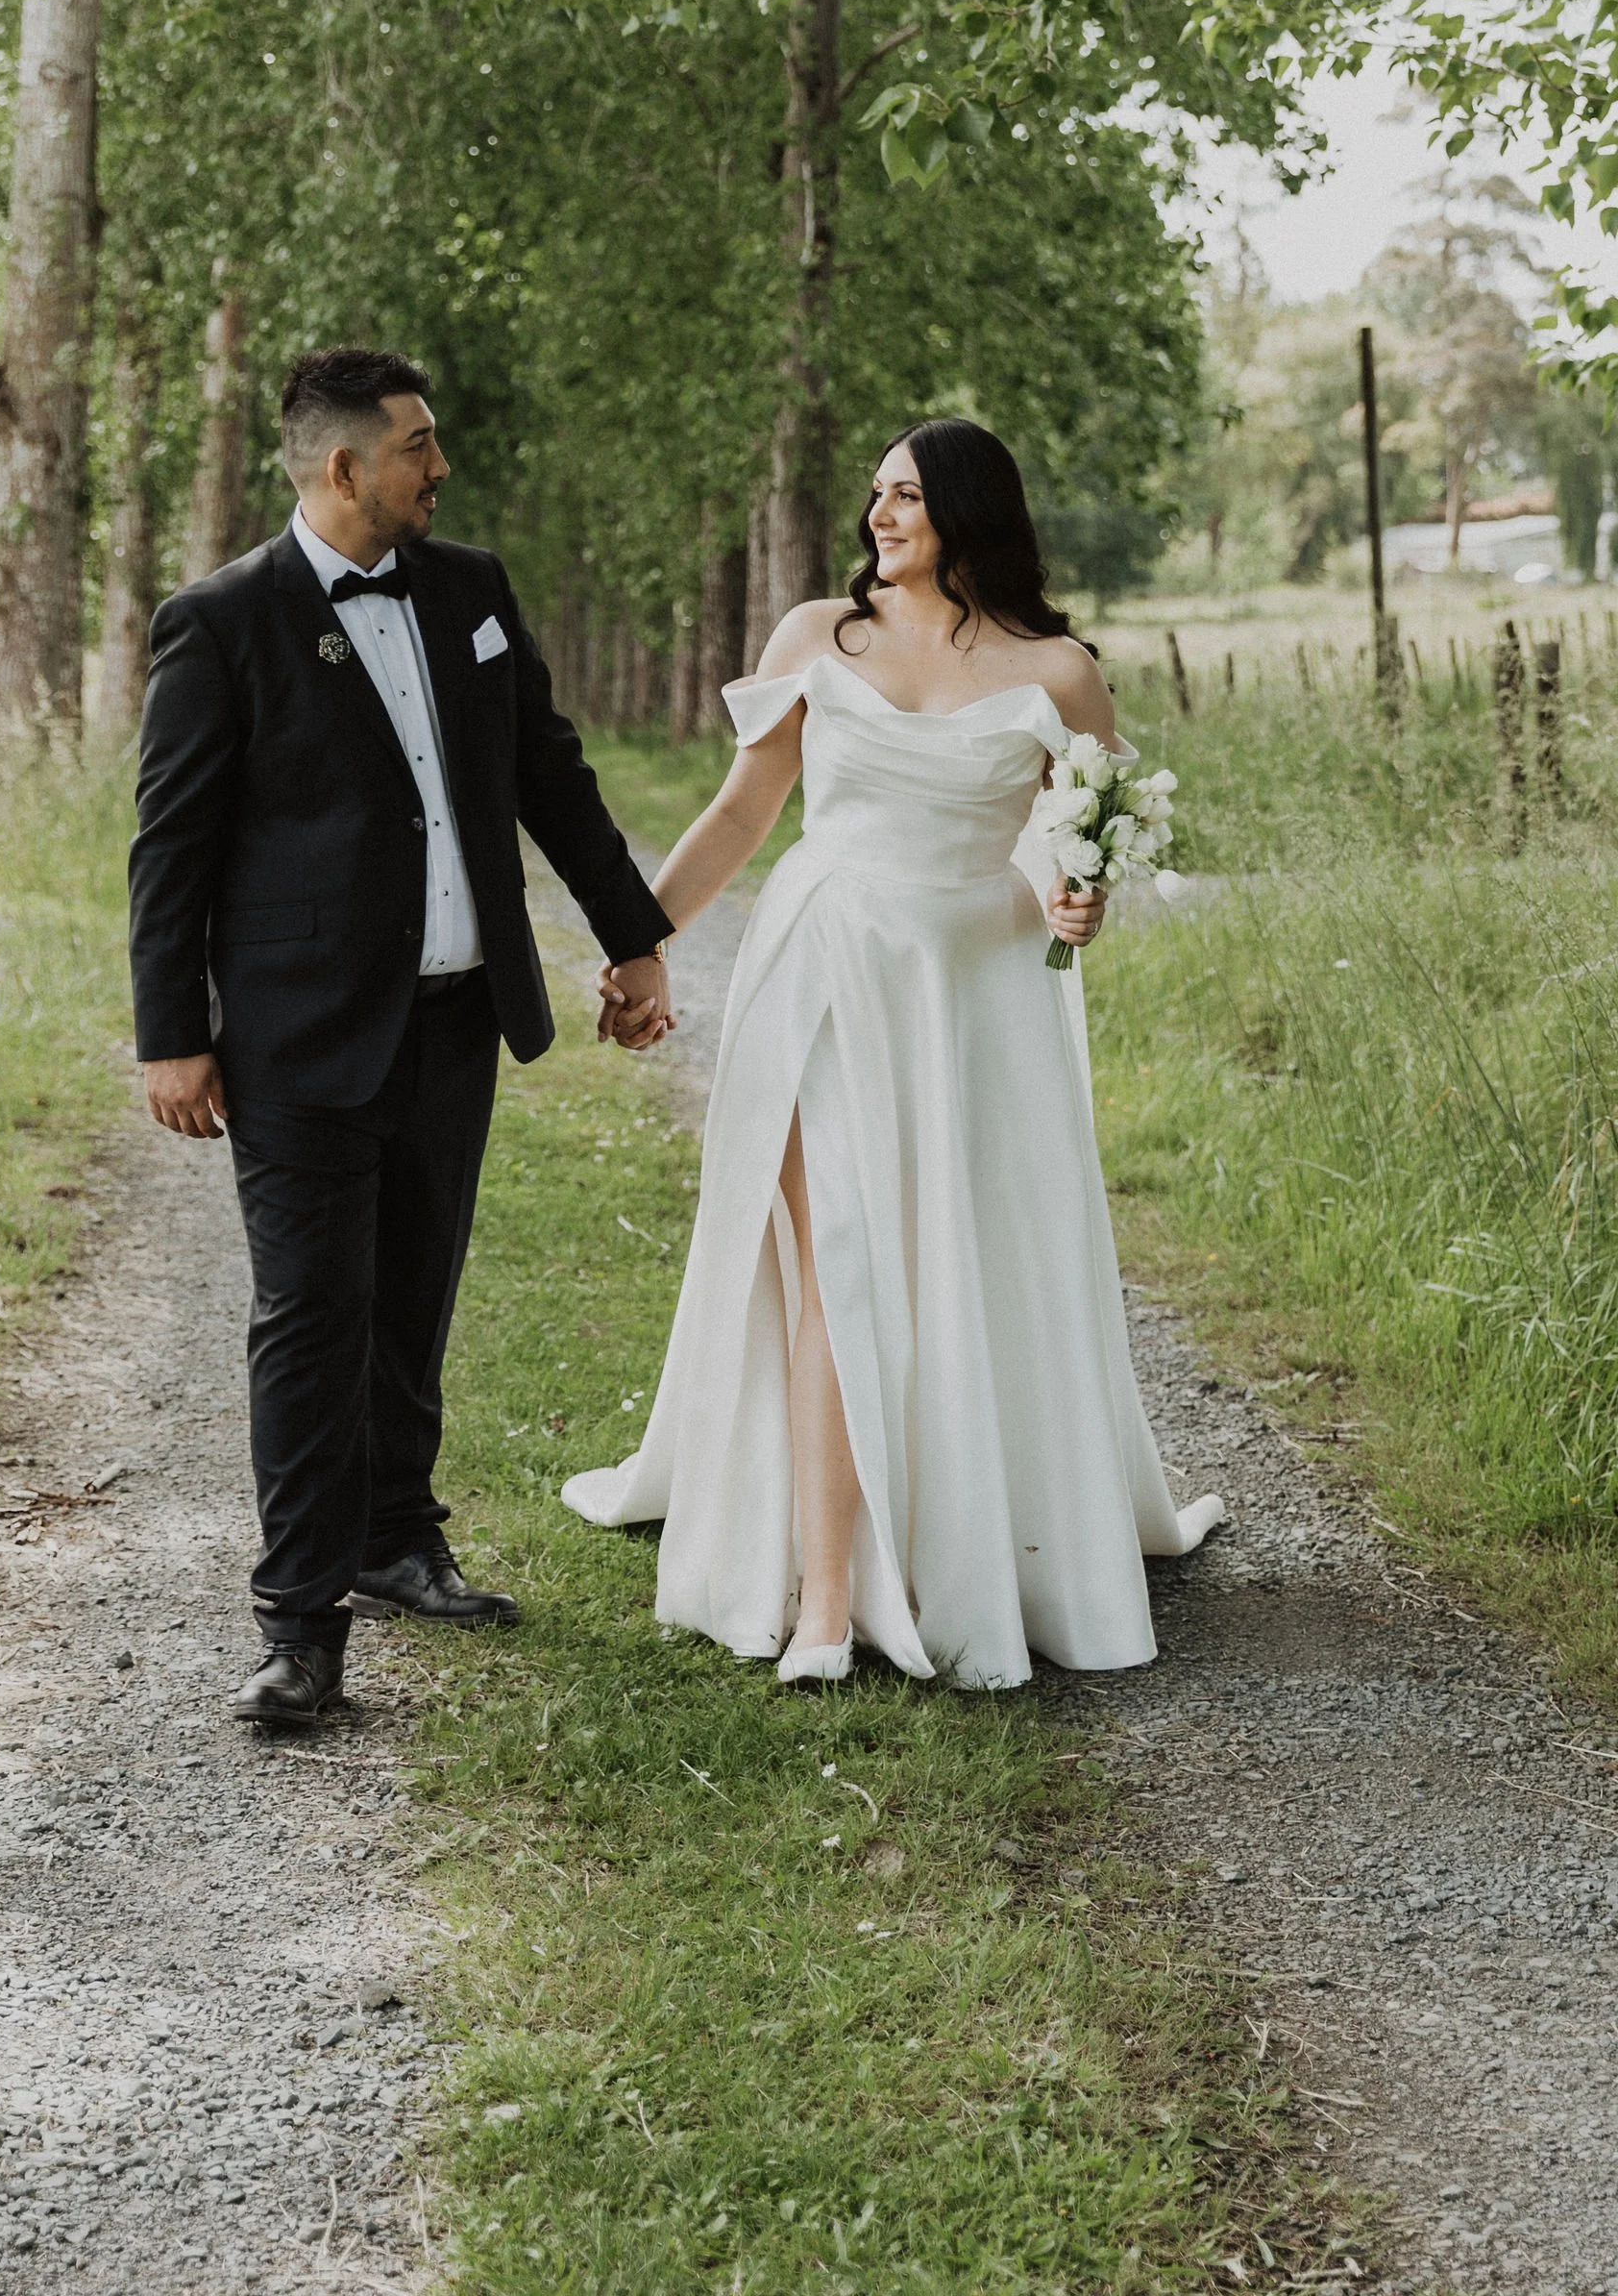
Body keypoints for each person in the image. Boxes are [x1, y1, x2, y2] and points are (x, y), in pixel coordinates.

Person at [569, 418, 1222, 1687]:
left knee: (955, 1263)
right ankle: (825, 1600)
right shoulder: (821, 637)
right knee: (841, 1262)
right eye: (875, 495)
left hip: (971, 994)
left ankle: (967, 1532)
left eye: (909, 495)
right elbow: (743, 810)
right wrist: (637, 941)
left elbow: (1071, 848)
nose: (881, 516)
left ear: (969, 510)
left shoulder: (1059, 671)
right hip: (824, 968)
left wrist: (1078, 902)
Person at [129, 347, 673, 1727]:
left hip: (453, 1023)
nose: (441, 467)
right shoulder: (221, 622)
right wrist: (169, 1035)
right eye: (420, 446)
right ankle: (300, 1628)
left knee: (414, 1297)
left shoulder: (472, 591)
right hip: (296, 1036)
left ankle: (396, 1540)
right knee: (312, 1321)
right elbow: (170, 850)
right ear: (344, 467)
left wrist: (634, 931)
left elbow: (549, 773)